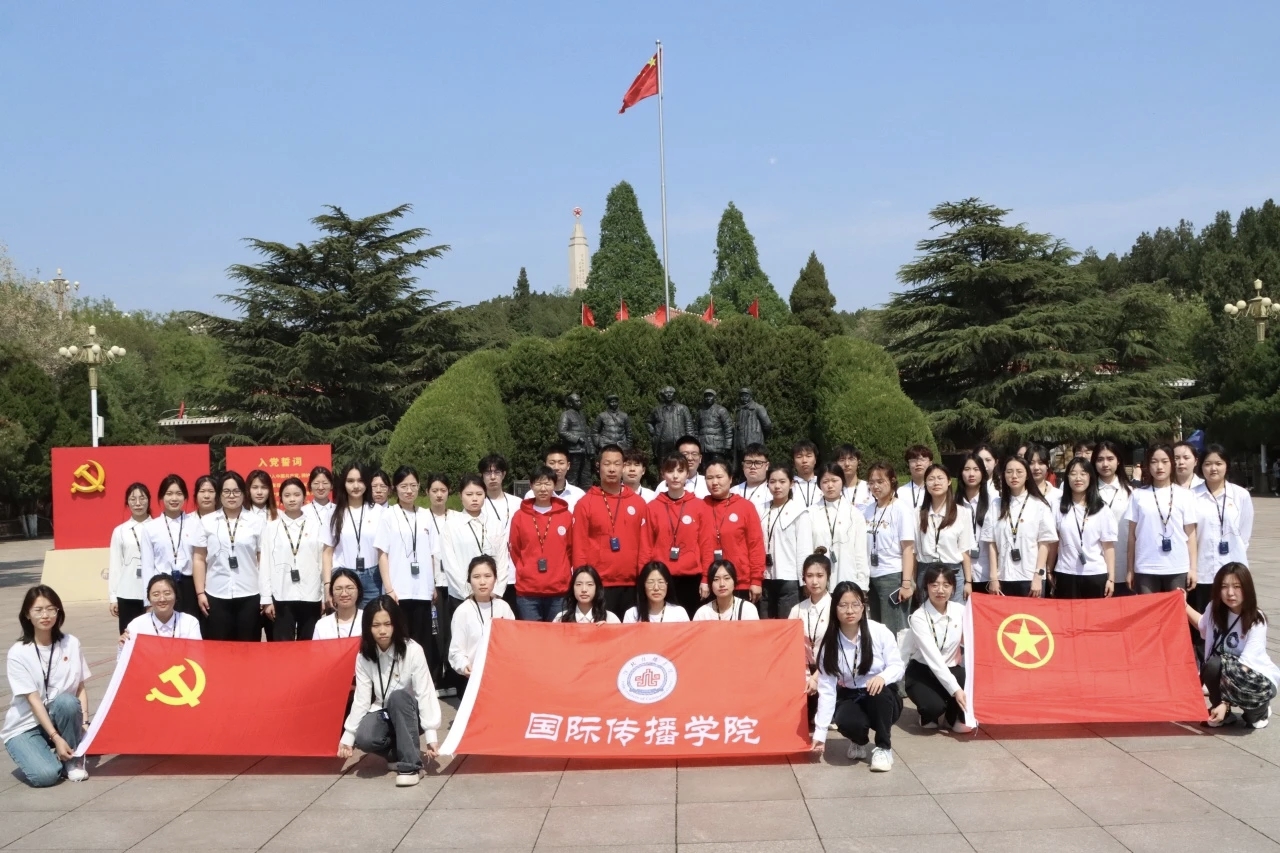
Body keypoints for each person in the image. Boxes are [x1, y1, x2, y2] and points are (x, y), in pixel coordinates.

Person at [338, 596, 441, 787]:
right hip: (383, 711)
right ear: (368, 627)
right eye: (376, 625)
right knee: (364, 737)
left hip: (410, 713)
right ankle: (397, 753)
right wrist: (348, 736)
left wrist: (431, 735)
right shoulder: (364, 656)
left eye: (387, 624)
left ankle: (411, 765)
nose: (382, 630)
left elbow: (424, 692)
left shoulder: (413, 650)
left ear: (396, 624)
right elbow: (361, 699)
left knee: (398, 696)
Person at [809, 581, 904, 772]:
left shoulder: (879, 631)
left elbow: (897, 666)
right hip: (850, 694)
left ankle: (884, 748)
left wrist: (882, 677)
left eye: (855, 604)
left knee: (880, 693)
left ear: (863, 606)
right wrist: (820, 733)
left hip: (881, 694)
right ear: (835, 608)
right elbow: (827, 689)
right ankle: (858, 740)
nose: (850, 611)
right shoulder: (830, 643)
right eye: (843, 605)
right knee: (847, 721)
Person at [3, 586, 91, 786]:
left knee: (67, 702)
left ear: (58, 612)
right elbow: (34, 701)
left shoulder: (71, 643)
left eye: (51, 609)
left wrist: (84, 723)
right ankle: (46, 751)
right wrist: (56, 738)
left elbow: (80, 688)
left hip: (59, 715)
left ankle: (72, 760)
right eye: (38, 610)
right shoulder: (18, 652)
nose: (45, 615)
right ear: (27, 614)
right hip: (27, 724)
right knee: (46, 776)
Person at [1187, 564, 1278, 729]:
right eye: (1224, 587)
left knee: (1252, 721)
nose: (1230, 593)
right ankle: (1224, 714)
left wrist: (1226, 703)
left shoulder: (1256, 619)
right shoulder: (1214, 609)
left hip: (1253, 678)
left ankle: (1261, 711)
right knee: (1212, 665)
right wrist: (1182, 605)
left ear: (1247, 588)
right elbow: (1202, 625)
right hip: (1227, 672)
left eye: (1237, 587)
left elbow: (1244, 667)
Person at [572, 444, 647, 618]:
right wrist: (583, 582)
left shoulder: (638, 503)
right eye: (607, 464)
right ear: (598, 466)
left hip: (632, 584)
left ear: (623, 467)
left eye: (617, 464)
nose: (612, 469)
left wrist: (644, 578)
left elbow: (645, 545)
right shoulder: (585, 503)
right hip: (598, 584)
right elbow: (579, 547)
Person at [375, 467, 439, 672]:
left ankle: (422, 682)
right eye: (404, 486)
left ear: (419, 487)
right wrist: (389, 588)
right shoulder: (388, 515)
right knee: (400, 639)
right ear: (395, 488)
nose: (409, 491)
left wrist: (432, 585)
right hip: (398, 591)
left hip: (422, 590)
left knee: (422, 641)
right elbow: (382, 554)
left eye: (413, 485)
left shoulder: (426, 515)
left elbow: (432, 554)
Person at [1192, 446, 1254, 642]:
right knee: (1204, 625)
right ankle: (1205, 659)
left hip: (1232, 570)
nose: (1213, 469)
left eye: (1218, 463)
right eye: (1208, 464)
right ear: (1201, 467)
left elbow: (1244, 534)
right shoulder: (1191, 496)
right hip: (1203, 570)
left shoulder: (1240, 495)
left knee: (1234, 620)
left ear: (1227, 465)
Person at [193, 471, 265, 641]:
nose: (231, 496)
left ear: (244, 493)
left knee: (248, 646)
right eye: (226, 491)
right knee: (219, 646)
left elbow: (262, 559)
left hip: (250, 594)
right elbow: (199, 558)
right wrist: (200, 593)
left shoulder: (256, 522)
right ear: (219, 494)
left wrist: (265, 593)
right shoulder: (207, 522)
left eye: (236, 491)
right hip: (216, 594)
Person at [642, 454, 714, 618]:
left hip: (692, 579)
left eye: (680, 471)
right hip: (661, 579)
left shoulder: (699, 506)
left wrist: (705, 578)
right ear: (663, 474)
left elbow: (706, 545)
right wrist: (644, 579)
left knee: (691, 626)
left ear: (687, 474)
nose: (675, 476)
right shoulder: (652, 507)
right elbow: (646, 547)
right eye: (670, 471)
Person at [901, 567, 968, 732]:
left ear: (953, 588)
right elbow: (934, 659)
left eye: (946, 585)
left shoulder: (960, 610)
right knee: (932, 708)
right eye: (935, 585)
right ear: (926, 586)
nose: (940, 590)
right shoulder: (919, 617)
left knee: (964, 676)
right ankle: (928, 714)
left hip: (952, 669)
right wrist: (956, 690)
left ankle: (953, 718)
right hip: (923, 672)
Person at [1125, 444, 1199, 594]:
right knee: (1148, 608)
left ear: (1172, 463)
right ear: (1148, 465)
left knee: (1177, 607)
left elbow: (1191, 535)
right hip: (1146, 567)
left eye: (1165, 461)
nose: (1159, 467)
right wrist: (1130, 569)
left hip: (1177, 566)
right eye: (1154, 462)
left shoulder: (1186, 495)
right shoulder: (1138, 495)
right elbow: (1132, 536)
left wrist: (1193, 569)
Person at [260, 477, 327, 641]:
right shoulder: (271, 527)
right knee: (283, 646)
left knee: (309, 644)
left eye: (296, 495)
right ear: (280, 498)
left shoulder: (316, 526)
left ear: (304, 497)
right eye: (287, 495)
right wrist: (266, 599)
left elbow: (322, 561)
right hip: (282, 594)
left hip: (311, 594)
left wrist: (324, 596)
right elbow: (265, 564)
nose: (292, 499)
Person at [982, 456, 1057, 597]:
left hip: (1031, 577)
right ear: (1003, 475)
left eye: (1019, 471)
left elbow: (1044, 543)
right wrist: (993, 577)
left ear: (1027, 475)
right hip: (1004, 577)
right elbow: (991, 543)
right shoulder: (996, 505)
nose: (1014, 476)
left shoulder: (1039, 505)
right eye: (1009, 472)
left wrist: (1038, 575)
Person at [510, 466, 574, 622]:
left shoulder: (566, 515)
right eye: (538, 484)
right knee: (532, 635)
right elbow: (515, 550)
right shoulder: (520, 516)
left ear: (554, 485)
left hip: (559, 590)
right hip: (528, 591)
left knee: (557, 634)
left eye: (547, 483)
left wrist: (560, 570)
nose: (543, 488)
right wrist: (526, 568)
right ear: (531, 486)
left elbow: (571, 549)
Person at [448, 556, 515, 693]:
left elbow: (513, 643)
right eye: (476, 577)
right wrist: (464, 666)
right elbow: (456, 651)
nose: (482, 582)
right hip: (473, 679)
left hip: (501, 676)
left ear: (495, 579)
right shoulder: (463, 611)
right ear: (469, 580)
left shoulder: (503, 608)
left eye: (487, 576)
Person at [704, 456, 766, 603]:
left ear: (730, 478)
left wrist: (756, 580)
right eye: (709, 478)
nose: (714, 482)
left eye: (719, 477)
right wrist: (704, 578)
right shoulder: (700, 506)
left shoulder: (745, 507)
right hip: (710, 583)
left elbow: (755, 545)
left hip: (740, 581)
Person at [1052, 458, 1116, 599]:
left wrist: (1111, 578)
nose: (1078, 478)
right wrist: (1049, 570)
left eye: (1083, 473)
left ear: (1091, 477)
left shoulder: (1102, 509)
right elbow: (1053, 543)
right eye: (1073, 473)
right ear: (1067, 478)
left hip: (1095, 574)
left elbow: (1108, 546)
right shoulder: (1057, 506)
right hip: (1066, 573)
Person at [863, 463, 915, 634]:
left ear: (892, 481)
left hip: (892, 576)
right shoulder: (868, 510)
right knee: (876, 629)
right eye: (871, 482)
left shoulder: (901, 509)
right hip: (871, 577)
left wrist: (906, 583)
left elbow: (908, 549)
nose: (875, 486)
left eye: (880, 481)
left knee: (895, 630)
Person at [324, 463, 385, 607]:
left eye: (360, 480)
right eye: (350, 481)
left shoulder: (379, 512)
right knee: (346, 620)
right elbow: (327, 552)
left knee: (372, 619)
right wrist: (327, 585)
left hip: (373, 577)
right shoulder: (333, 513)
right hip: (343, 577)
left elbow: (384, 551)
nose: (356, 486)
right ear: (343, 483)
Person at [144, 474, 203, 620]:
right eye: (169, 494)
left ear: (185, 497)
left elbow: (201, 559)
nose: (174, 498)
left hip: (189, 586)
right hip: (162, 586)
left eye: (179, 494)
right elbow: (147, 565)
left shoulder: (196, 523)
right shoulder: (150, 528)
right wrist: (148, 601)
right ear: (161, 497)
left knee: (190, 627)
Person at [914, 464, 975, 602]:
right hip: (926, 574)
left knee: (956, 614)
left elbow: (965, 551)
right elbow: (914, 551)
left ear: (948, 482)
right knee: (928, 614)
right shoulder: (917, 513)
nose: (936, 482)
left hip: (953, 573)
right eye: (931, 479)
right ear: (925, 484)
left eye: (940, 478)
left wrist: (968, 582)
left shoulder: (962, 513)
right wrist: (911, 581)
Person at [761, 464, 814, 619]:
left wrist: (804, 581)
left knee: (787, 624)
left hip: (789, 578)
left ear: (791, 483)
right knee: (765, 625)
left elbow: (804, 549)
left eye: (782, 481)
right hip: (764, 576)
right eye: (772, 482)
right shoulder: (760, 509)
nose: (777, 486)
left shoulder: (799, 512)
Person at [809, 462, 869, 591]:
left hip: (848, 578)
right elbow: (805, 550)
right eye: (825, 481)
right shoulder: (810, 513)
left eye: (834, 480)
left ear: (842, 481)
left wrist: (862, 584)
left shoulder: (854, 514)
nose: (830, 485)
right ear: (819, 484)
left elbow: (860, 553)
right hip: (817, 582)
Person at [790, 554, 832, 729]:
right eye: (809, 576)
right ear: (803, 578)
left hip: (831, 669)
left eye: (820, 576)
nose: (814, 581)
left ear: (828, 577)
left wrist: (817, 676)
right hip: (805, 670)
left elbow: (837, 649)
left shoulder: (836, 607)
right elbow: (790, 647)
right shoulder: (797, 609)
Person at [108, 482, 155, 634]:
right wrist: (113, 597)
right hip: (127, 593)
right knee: (129, 637)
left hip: (155, 593)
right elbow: (116, 565)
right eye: (133, 499)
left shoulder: (157, 527)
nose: (138, 503)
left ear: (149, 500)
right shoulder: (120, 531)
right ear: (127, 503)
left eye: (142, 498)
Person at [1093, 441, 1134, 595]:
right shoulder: (1087, 492)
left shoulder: (1131, 492)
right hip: (1094, 566)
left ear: (1118, 461)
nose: (1105, 464)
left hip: (1124, 565)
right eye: (1100, 459)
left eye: (1110, 459)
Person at [120, 574, 203, 646]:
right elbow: (125, 658)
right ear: (149, 599)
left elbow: (196, 654)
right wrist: (123, 646)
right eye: (156, 595)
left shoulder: (190, 622)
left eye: (167, 593)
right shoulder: (136, 625)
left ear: (176, 596)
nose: (162, 599)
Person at [956, 453, 993, 594]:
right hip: (960, 572)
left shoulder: (993, 502)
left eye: (976, 469)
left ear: (983, 473)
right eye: (967, 469)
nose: (971, 474)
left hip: (987, 572)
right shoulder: (953, 504)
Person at [694, 560, 761, 621]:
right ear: (710, 584)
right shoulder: (702, 613)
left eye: (727, 578)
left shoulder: (747, 609)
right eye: (716, 579)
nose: (722, 584)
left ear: (734, 581)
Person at [624, 561, 690, 623]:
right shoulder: (632, 614)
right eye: (651, 582)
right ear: (643, 585)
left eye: (661, 582)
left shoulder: (679, 613)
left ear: (667, 584)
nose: (656, 588)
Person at [522, 445, 585, 510]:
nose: (556, 468)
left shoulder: (579, 495)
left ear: (568, 466)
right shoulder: (531, 495)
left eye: (561, 463)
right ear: (545, 465)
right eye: (552, 463)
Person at [556, 565, 621, 623]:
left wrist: (608, 630)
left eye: (590, 584)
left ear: (597, 588)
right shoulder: (561, 619)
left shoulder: (610, 619)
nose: (584, 590)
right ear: (572, 588)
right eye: (579, 584)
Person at [314, 569, 364, 640]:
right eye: (338, 589)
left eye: (349, 588)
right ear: (332, 593)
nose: (344, 594)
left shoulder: (368, 620)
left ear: (359, 591)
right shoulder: (322, 625)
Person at [731, 443, 772, 516]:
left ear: (767, 466)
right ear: (743, 466)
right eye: (748, 462)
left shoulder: (772, 491)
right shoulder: (733, 491)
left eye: (758, 463)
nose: (753, 467)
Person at [834, 444, 873, 509]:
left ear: (858, 462)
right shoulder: (833, 489)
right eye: (842, 460)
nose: (847, 464)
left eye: (851, 459)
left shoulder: (869, 488)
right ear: (836, 463)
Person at [897, 445, 933, 510]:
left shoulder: (936, 489)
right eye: (913, 460)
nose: (918, 463)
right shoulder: (900, 492)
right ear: (908, 464)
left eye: (922, 460)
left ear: (930, 463)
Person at [791, 441, 822, 508]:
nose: (804, 460)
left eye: (808, 456)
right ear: (793, 462)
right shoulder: (789, 485)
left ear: (815, 460)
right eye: (799, 456)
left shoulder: (823, 482)